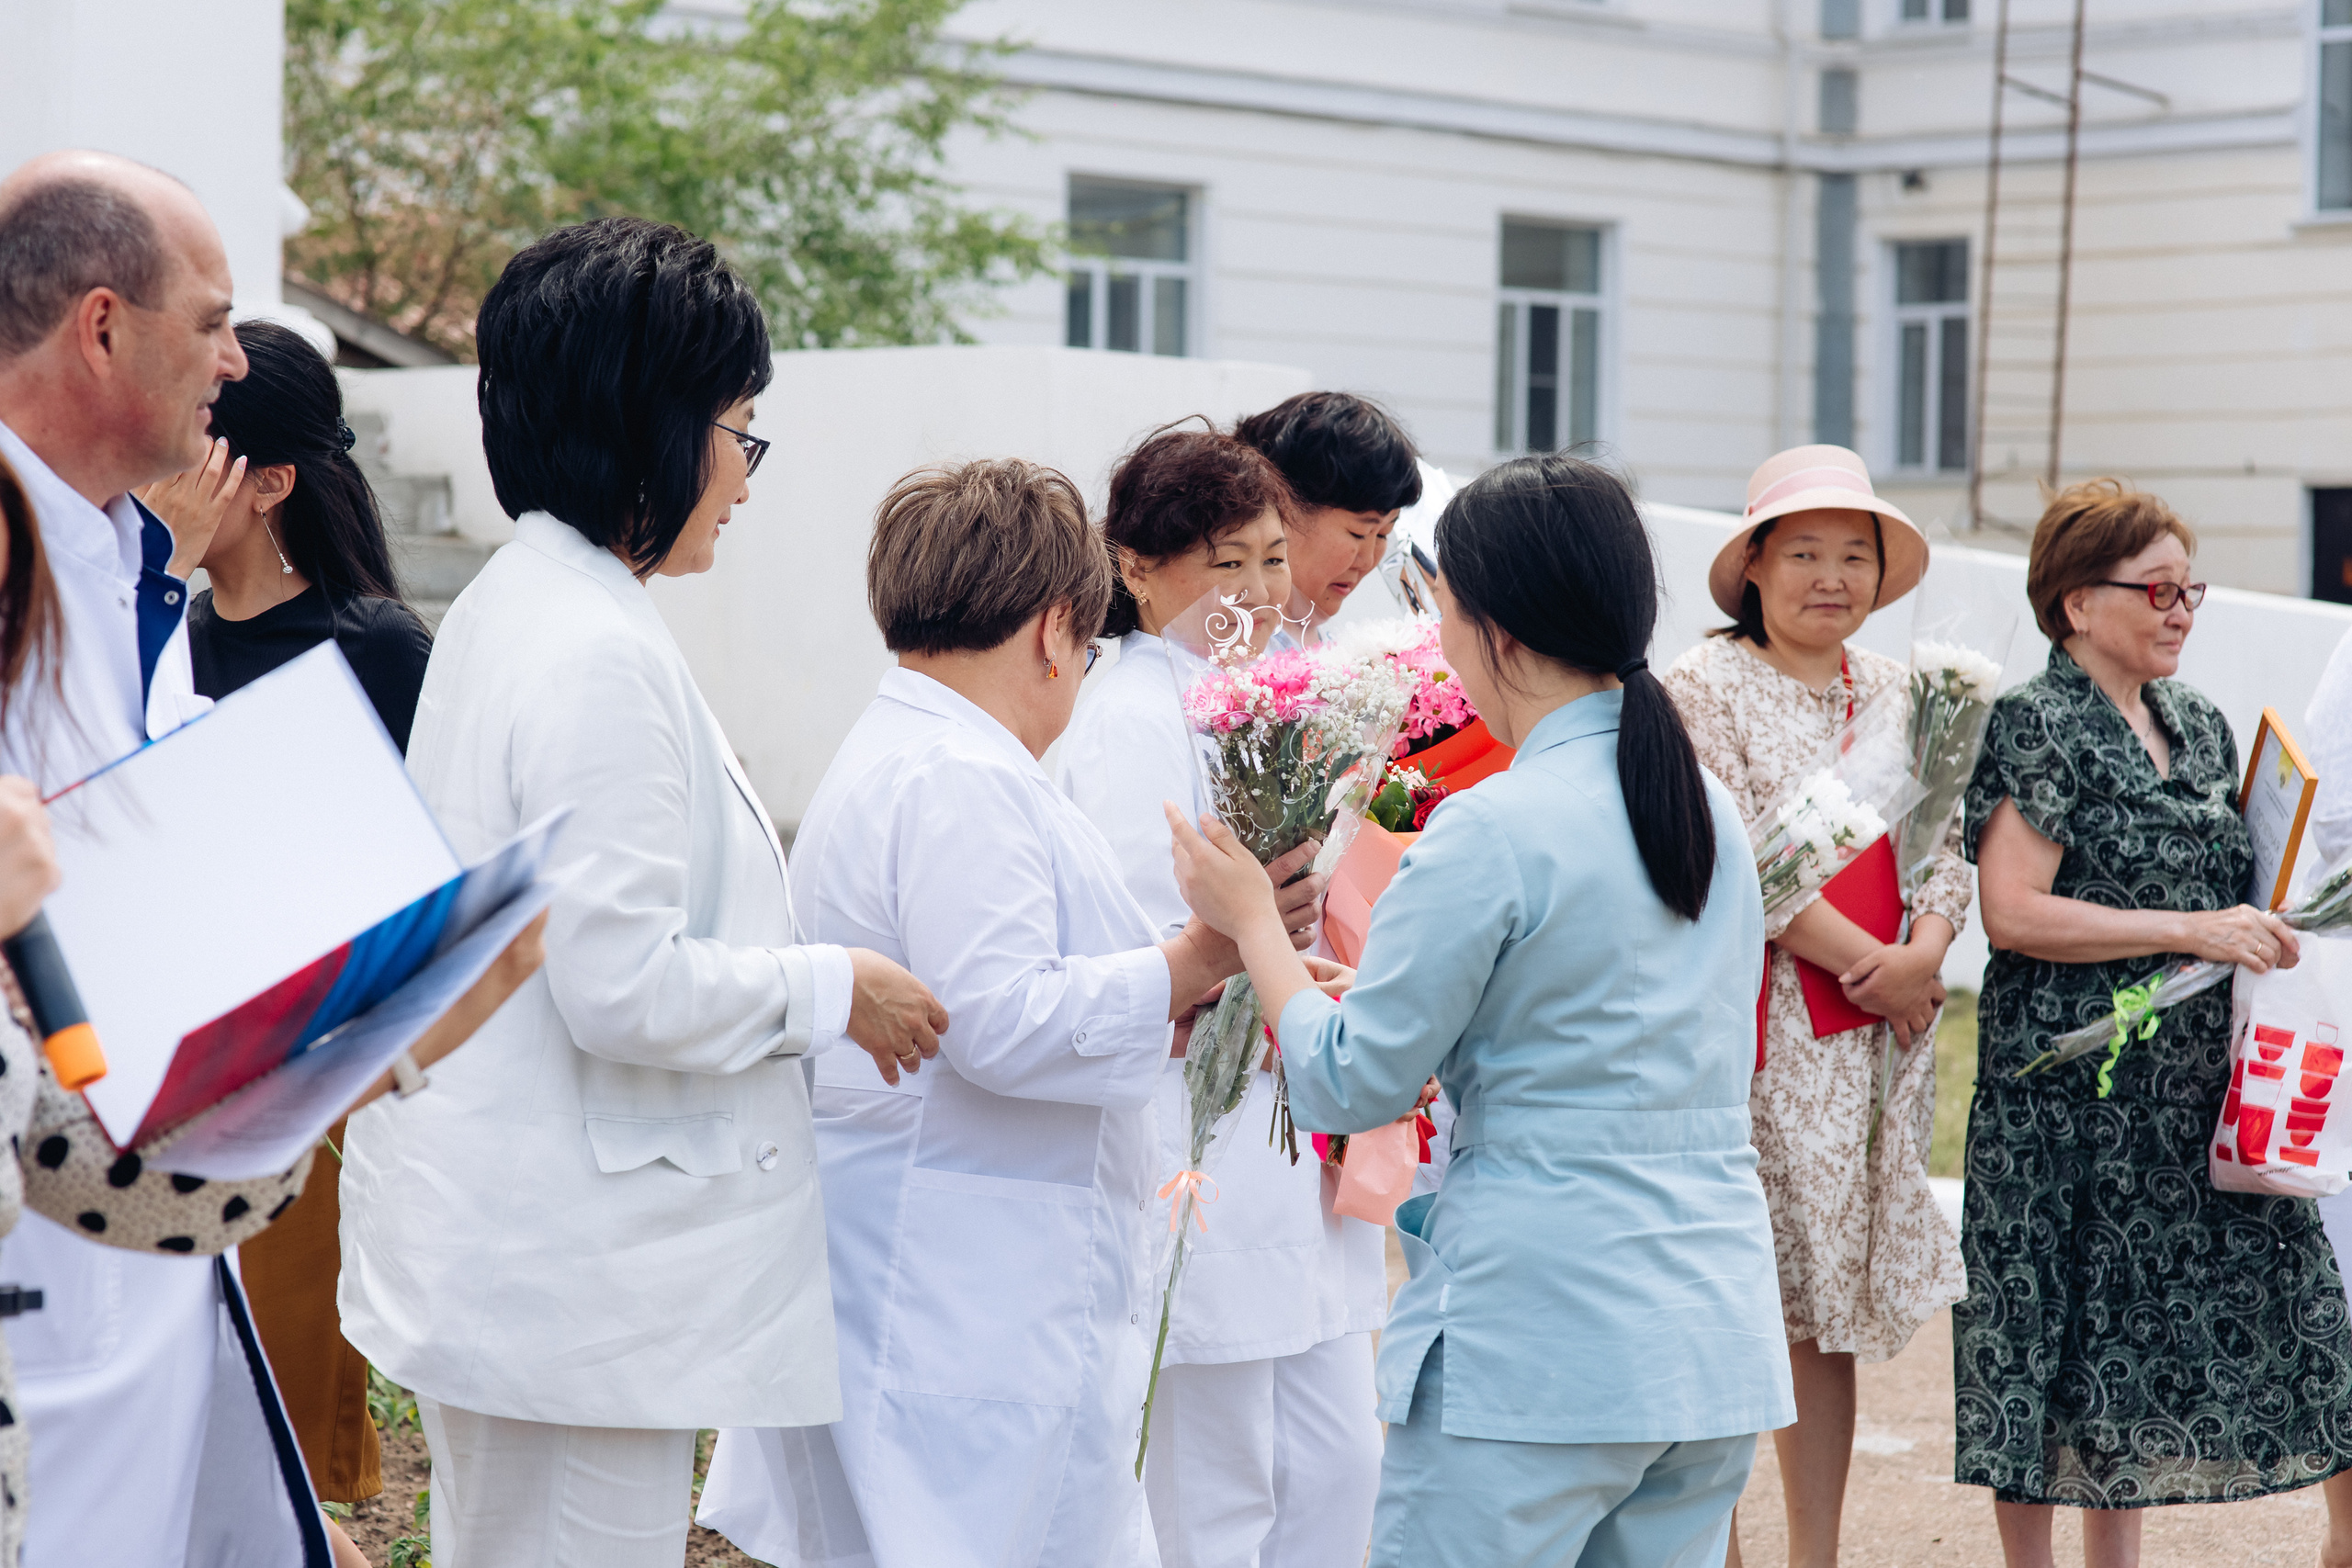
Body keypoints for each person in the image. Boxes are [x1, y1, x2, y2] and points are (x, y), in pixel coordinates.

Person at [337, 216, 944, 1568]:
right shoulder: (590, 650)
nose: (746, 473)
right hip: (575, 1281)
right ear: (653, 426)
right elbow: (622, 984)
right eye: (739, 427)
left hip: (536, 1255)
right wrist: (840, 987)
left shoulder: (535, 604)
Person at [697, 457, 1344, 1568]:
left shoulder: (923, 750)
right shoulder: (961, 776)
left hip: (945, 1259)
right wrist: (1193, 959)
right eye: (1086, 651)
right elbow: (997, 1022)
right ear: (1055, 633)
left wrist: (1188, 989)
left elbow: (999, 991)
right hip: (967, 1286)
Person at [1167, 452, 1793, 1567]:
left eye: (1439, 598)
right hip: (1706, 1334)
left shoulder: (1493, 825)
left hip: (1537, 1341)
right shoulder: (1704, 811)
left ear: (1491, 623)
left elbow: (1345, 1082)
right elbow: (1610, 1025)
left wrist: (1253, 925)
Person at [1960, 479, 2352, 1567]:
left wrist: (2265, 921)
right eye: (2158, 589)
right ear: (2077, 602)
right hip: (2059, 1097)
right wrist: (2193, 927)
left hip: (2179, 1097)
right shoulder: (2036, 725)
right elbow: (2013, 911)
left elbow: (2238, 889)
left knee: (2132, 1348)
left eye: (2192, 589)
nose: (2181, 610)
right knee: (2045, 1343)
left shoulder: (2199, 723)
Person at [1057, 424, 1384, 1568]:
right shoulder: (1135, 710)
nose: (1256, 589)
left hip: (1280, 1120)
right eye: (1223, 563)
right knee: (1220, 1480)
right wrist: (1251, 977)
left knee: (1335, 1462)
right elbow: (1136, 942)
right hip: (1198, 1120)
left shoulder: (1253, 694)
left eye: (1267, 558)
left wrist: (1300, 977)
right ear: (1137, 568)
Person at [136, 317, 435, 1565]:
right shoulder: (159, 631)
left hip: (306, 1081)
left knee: (286, 1455)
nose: (159, 468)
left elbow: (427, 886)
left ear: (266, 479)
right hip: (163, 1067)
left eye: (195, 445)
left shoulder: (378, 646)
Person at [1660, 444, 1968, 1568]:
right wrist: (1874, 966)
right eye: (1802, 553)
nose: (1828, 577)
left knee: (1818, 1314)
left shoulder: (1898, 692)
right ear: (1751, 567)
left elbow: (1945, 845)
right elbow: (1735, 853)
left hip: (1873, 1051)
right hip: (1758, 1033)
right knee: (1736, 1298)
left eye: (1853, 555)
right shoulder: (1700, 689)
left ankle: (1815, 1555)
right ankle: (1717, 1549)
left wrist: (1924, 947)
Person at [1233, 391, 1420, 625]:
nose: (1367, 561)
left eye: (1383, 535)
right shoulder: (1218, 640)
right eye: (1358, 533)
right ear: (1280, 504)